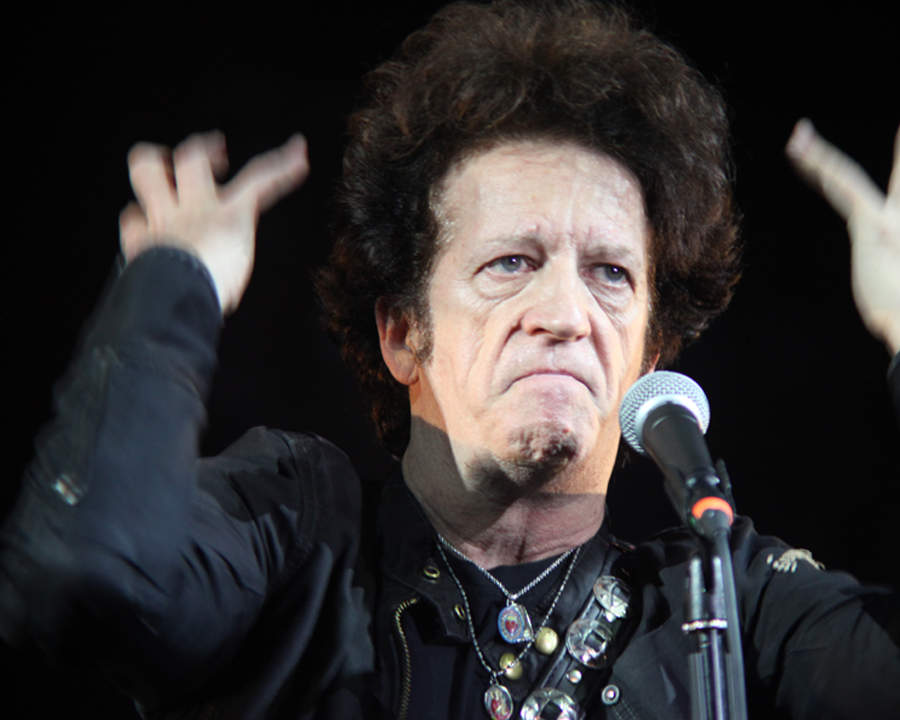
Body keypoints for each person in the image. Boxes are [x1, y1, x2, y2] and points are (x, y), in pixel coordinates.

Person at [1, 1, 898, 719]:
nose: (565, 314)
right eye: (510, 262)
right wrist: (173, 285)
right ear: (402, 334)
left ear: (648, 356)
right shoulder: (297, 541)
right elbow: (89, 576)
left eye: (610, 273)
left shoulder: (726, 599)